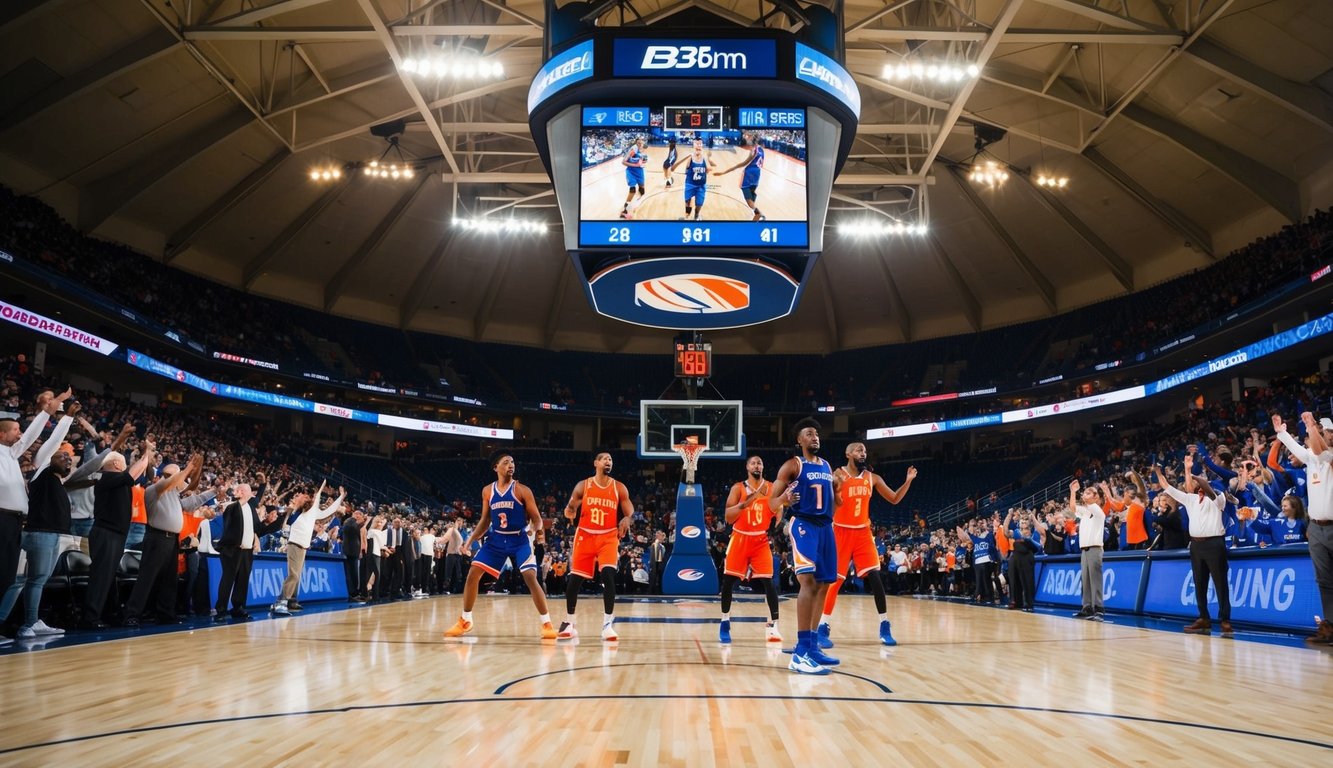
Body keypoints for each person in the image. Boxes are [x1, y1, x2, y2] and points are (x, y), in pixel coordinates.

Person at [444, 451, 557, 640]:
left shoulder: (522, 490)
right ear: (496, 467)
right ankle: (466, 619)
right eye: (506, 462)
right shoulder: (488, 491)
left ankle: (547, 623)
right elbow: (485, 520)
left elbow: (537, 519)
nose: (511, 465)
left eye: (512, 462)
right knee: (473, 574)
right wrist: (470, 541)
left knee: (530, 576)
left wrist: (534, 531)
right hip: (496, 540)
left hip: (519, 539)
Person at [817, 443, 917, 648]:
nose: (863, 453)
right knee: (833, 582)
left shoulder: (873, 478)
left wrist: (907, 481)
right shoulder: (837, 474)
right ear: (848, 454)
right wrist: (835, 488)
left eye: (864, 451)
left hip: (863, 532)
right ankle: (823, 627)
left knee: (875, 577)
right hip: (841, 532)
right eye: (858, 450)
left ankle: (884, 625)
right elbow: (828, 506)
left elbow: (895, 498)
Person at [768, 417, 839, 675]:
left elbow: (836, 501)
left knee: (822, 585)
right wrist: (784, 499)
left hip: (825, 526)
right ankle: (799, 653)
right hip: (804, 525)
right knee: (808, 582)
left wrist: (839, 491)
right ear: (799, 440)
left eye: (817, 434)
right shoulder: (792, 465)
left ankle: (811, 647)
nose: (815, 437)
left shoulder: (828, 466)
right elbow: (770, 503)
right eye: (809, 434)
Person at [0, 388, 71, 632]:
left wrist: (51, 411)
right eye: (15, 430)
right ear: (2, 434)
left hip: (15, 522)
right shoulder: (13, 456)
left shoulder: (10, 454)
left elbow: (30, 436)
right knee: (9, 578)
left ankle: (14, 623)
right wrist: (51, 411)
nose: (20, 434)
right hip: (5, 520)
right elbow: (37, 440)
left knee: (11, 578)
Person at [124, 454, 217, 627]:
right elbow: (170, 482)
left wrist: (214, 491)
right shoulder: (154, 489)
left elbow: (192, 502)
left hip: (171, 540)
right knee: (146, 578)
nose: (179, 479)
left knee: (169, 580)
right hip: (156, 538)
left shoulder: (174, 495)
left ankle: (165, 613)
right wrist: (188, 468)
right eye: (174, 476)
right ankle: (132, 614)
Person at [558, 450, 634, 642]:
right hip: (585, 534)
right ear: (596, 463)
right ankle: (570, 622)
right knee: (574, 581)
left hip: (608, 536)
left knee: (608, 576)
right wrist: (569, 511)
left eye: (611, 459)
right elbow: (570, 510)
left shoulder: (619, 487)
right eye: (605, 459)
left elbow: (628, 507)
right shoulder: (583, 485)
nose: (609, 462)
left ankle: (608, 624)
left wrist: (626, 517)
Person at [81, 437, 156, 629]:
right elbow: (133, 473)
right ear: (116, 464)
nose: (126, 466)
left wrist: (146, 455)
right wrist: (146, 451)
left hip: (114, 533)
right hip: (106, 533)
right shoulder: (107, 478)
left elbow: (140, 474)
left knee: (107, 576)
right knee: (101, 576)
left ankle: (102, 613)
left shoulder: (117, 481)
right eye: (123, 462)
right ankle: (90, 618)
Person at [1272, 413, 1333, 645]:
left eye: (1324, 431)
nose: (1320, 434)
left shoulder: (1329, 456)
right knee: (1324, 580)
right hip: (1316, 527)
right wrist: (1282, 433)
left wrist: (1310, 427)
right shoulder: (1311, 459)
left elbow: (1320, 450)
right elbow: (1299, 450)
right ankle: (1329, 627)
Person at [1155, 457, 1232, 636]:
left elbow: (1209, 490)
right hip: (1196, 545)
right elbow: (1168, 488)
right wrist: (1159, 473)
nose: (1199, 487)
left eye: (1203, 485)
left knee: (1220, 583)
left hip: (1214, 544)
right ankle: (1203, 617)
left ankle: (1225, 620)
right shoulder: (1190, 499)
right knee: (1200, 583)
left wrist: (1198, 478)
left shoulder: (1218, 499)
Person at [718, 455, 783, 645]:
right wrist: (747, 502)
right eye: (753, 462)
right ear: (747, 467)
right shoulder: (738, 488)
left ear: (763, 467)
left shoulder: (771, 488)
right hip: (739, 537)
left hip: (760, 539)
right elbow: (728, 517)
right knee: (729, 581)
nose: (757, 465)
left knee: (768, 582)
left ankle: (774, 626)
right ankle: (724, 623)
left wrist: (778, 518)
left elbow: (778, 506)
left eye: (760, 462)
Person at [213, 480, 285, 621]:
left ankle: (238, 608)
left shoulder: (251, 509)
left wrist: (280, 521)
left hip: (246, 551)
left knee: (243, 581)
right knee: (227, 580)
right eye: (246, 491)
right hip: (232, 550)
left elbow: (259, 529)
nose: (250, 494)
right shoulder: (231, 506)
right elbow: (228, 519)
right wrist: (241, 497)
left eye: (248, 491)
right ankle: (220, 610)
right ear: (240, 492)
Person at [272, 483, 337, 615]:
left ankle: (291, 601)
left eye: (308, 497)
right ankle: (281, 602)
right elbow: (287, 522)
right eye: (305, 496)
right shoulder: (295, 511)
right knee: (293, 575)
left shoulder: (308, 512)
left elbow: (323, 508)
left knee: (297, 575)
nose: (307, 498)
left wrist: (338, 497)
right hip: (294, 544)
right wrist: (295, 506)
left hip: (303, 547)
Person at [1071, 479, 1107, 621]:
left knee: (1095, 580)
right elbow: (1073, 508)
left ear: (1096, 497)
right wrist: (1073, 492)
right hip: (1084, 550)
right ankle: (1087, 608)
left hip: (1094, 548)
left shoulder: (1098, 511)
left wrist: (1082, 494)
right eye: (1084, 493)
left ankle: (1099, 609)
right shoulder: (1086, 513)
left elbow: (1089, 504)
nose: (1084, 495)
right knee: (1085, 580)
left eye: (1088, 493)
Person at [719, 132, 767, 221]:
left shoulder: (753, 151)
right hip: (757, 174)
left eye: (748, 137)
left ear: (752, 139)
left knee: (748, 199)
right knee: (752, 195)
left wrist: (725, 172)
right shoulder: (761, 149)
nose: (747, 138)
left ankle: (759, 214)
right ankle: (755, 213)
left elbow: (742, 164)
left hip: (748, 175)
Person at [1004, 508, 1042, 612]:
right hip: (1015, 558)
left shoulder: (1034, 533)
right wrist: (1009, 515)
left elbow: (1039, 547)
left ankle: (1028, 603)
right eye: (1021, 521)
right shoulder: (1016, 532)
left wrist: (1029, 540)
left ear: (1029, 523)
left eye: (1025, 521)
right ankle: (1014, 601)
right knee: (1013, 581)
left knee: (1027, 582)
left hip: (1027, 559)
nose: (1023, 523)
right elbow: (1006, 532)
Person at [672, 139, 717, 222]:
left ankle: (696, 215)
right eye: (697, 144)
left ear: (702, 146)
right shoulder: (690, 157)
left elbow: (710, 168)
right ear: (693, 146)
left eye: (700, 144)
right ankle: (687, 216)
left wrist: (707, 158)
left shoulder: (705, 158)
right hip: (690, 184)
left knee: (699, 204)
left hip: (701, 185)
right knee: (688, 202)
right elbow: (678, 168)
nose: (698, 145)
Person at [619, 137, 648, 219]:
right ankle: (624, 211)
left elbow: (642, 162)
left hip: (639, 172)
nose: (640, 144)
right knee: (632, 190)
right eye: (638, 143)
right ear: (636, 143)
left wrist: (642, 162)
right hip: (631, 172)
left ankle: (637, 202)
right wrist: (636, 165)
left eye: (641, 143)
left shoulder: (642, 152)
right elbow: (623, 162)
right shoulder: (633, 150)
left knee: (642, 190)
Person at [341, 507, 366, 602]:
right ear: (356, 514)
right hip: (350, 552)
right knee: (352, 573)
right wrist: (359, 523)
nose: (360, 517)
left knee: (354, 573)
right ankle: (352, 594)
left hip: (353, 552)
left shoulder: (355, 524)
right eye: (359, 515)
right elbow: (350, 529)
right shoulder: (350, 522)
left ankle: (354, 593)